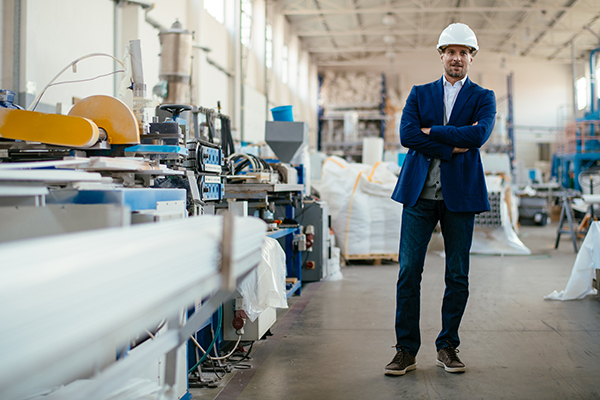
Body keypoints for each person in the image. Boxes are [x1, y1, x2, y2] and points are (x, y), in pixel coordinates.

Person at [384, 23, 496, 376]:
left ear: (471, 58)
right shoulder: (419, 93)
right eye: (451, 51)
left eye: (464, 52)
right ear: (441, 55)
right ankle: (406, 350)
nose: (457, 58)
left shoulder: (483, 97)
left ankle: (447, 346)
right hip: (419, 195)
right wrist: (452, 146)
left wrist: (432, 133)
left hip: (459, 197)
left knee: (457, 274)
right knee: (407, 272)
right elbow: (406, 135)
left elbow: (479, 135)